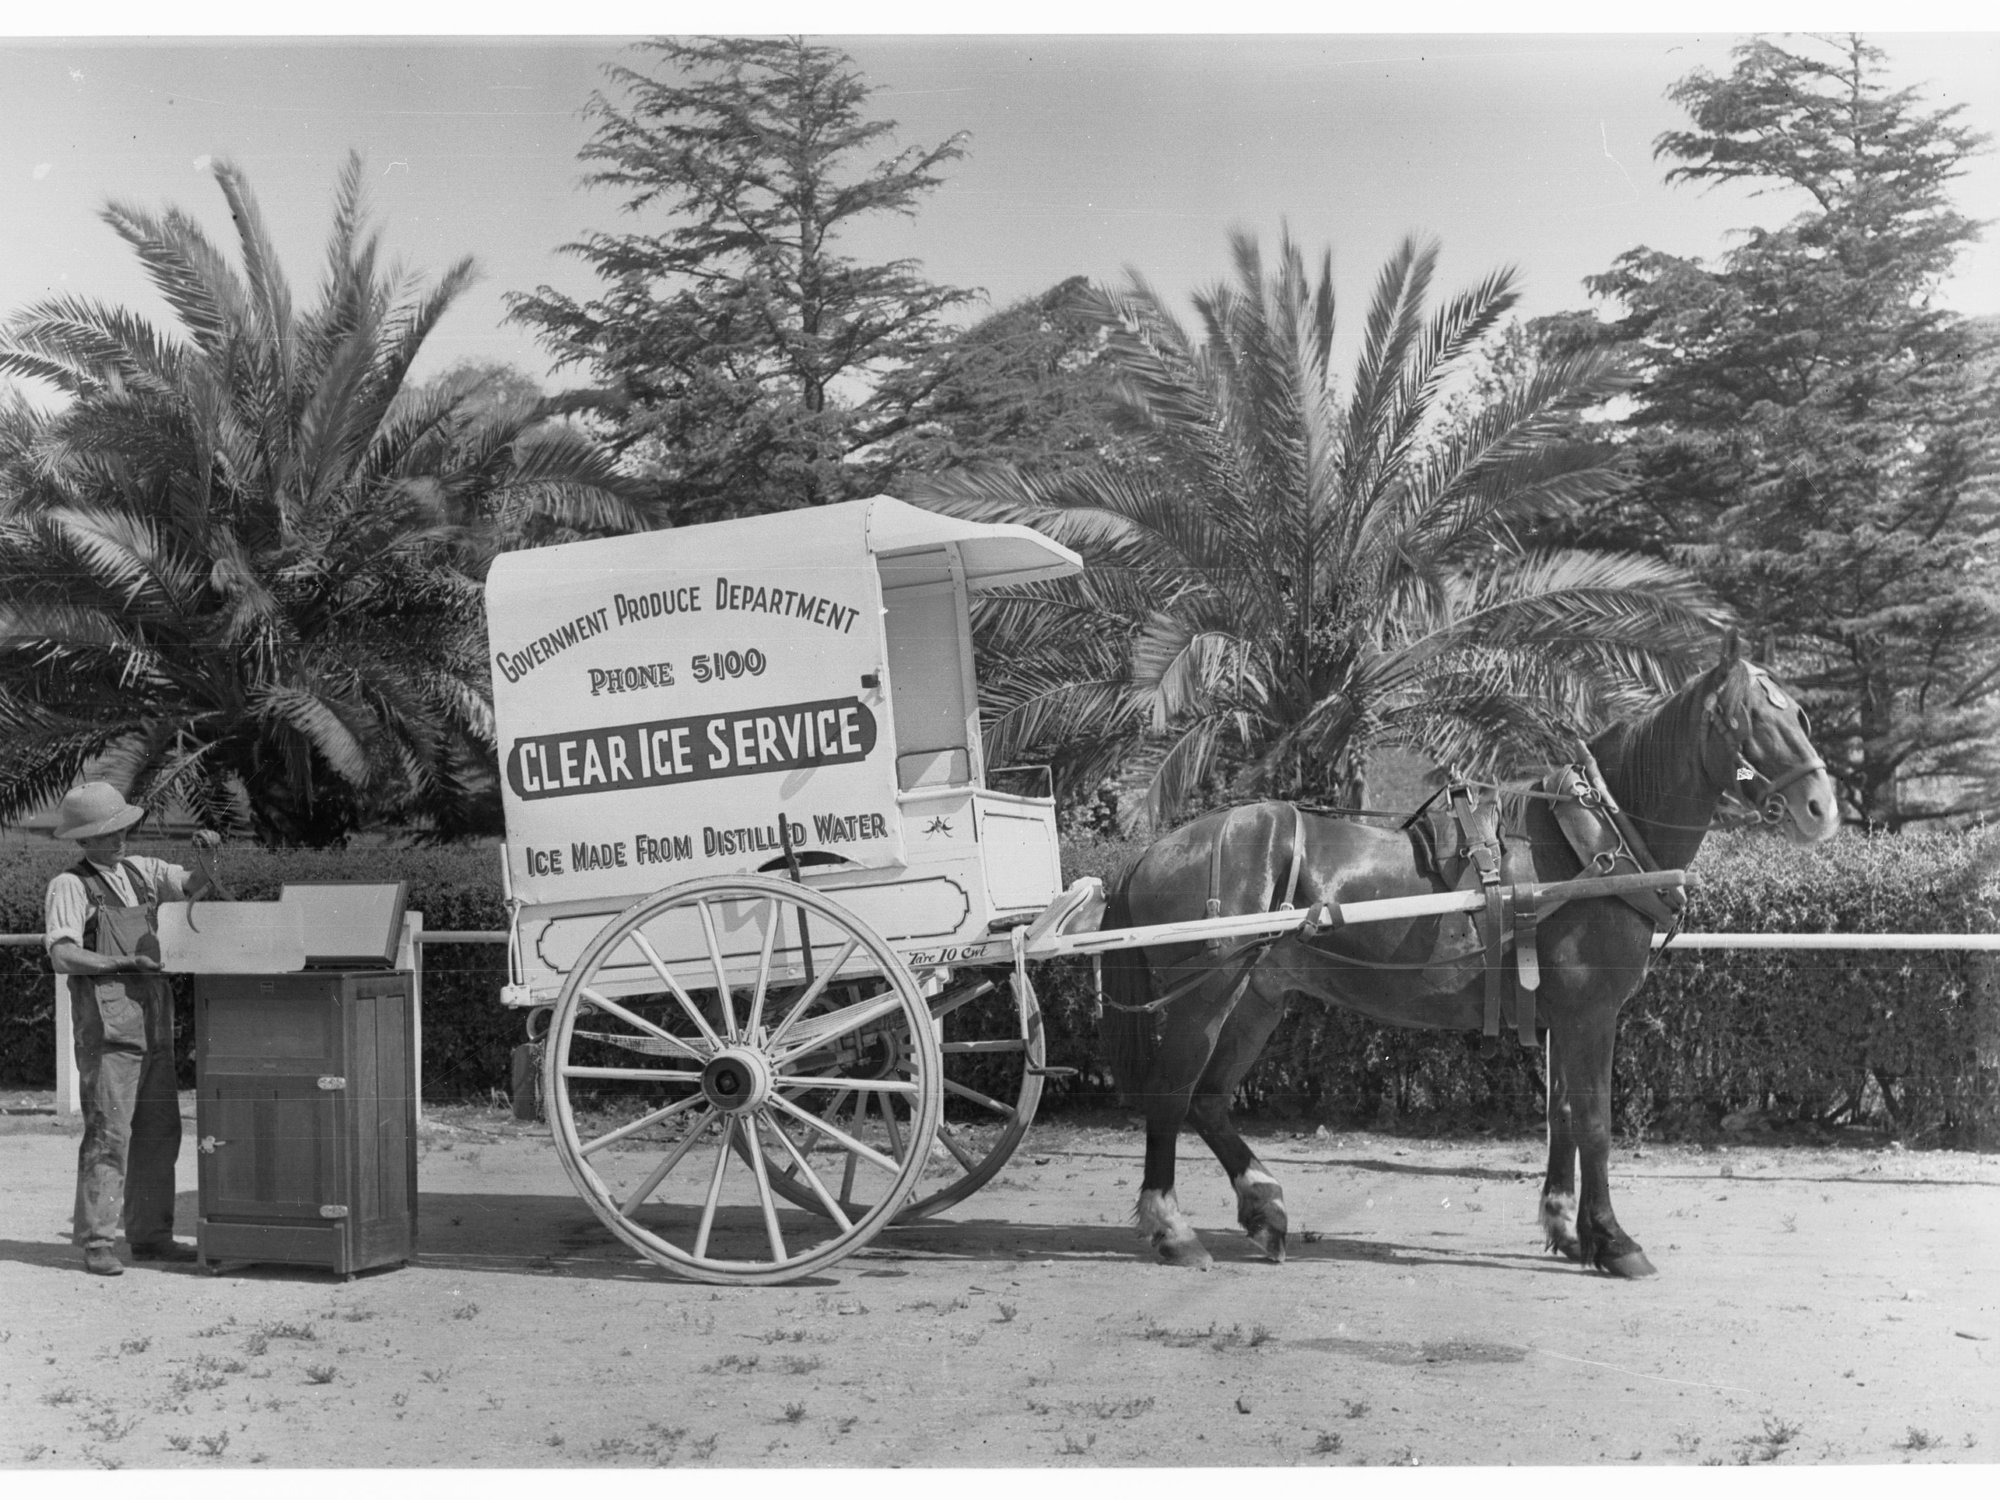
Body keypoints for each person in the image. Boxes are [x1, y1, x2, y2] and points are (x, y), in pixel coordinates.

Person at [44, 783, 219, 1276]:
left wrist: (207, 856)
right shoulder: (69, 885)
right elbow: (62, 954)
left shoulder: (143, 870)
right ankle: (98, 1242)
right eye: (107, 831)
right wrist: (123, 961)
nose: (119, 837)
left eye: (122, 827)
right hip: (107, 1031)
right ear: (83, 839)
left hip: (155, 1026)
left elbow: (193, 887)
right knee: (109, 1135)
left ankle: (152, 1238)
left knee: (160, 1135)